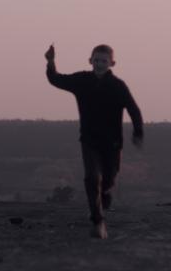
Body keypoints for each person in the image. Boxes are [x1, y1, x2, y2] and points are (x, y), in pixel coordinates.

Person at [44, 44, 144, 239]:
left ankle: (103, 198)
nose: (99, 64)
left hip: (112, 143)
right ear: (90, 61)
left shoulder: (118, 86)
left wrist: (138, 132)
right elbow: (56, 80)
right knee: (92, 178)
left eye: (103, 61)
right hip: (89, 140)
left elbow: (133, 109)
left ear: (111, 63)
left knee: (108, 180)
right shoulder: (82, 80)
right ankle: (97, 221)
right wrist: (50, 62)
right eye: (96, 60)